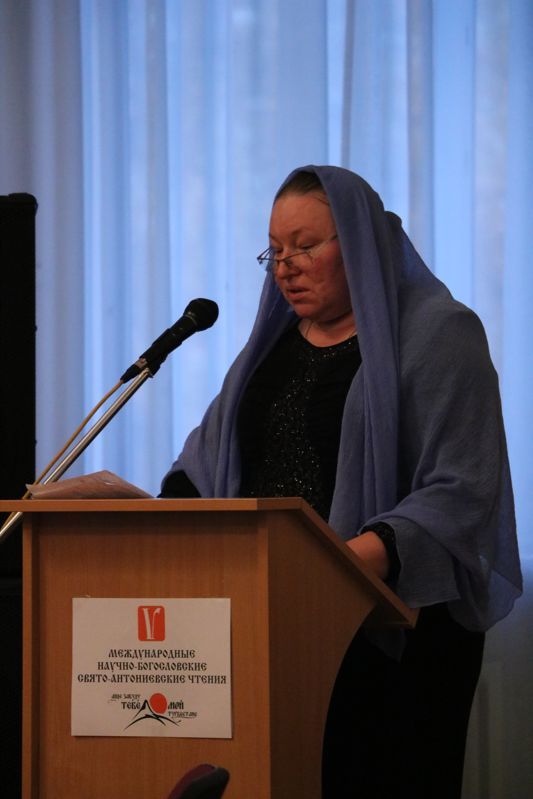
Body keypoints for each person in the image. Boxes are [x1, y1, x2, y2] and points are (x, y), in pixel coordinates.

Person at [160, 165, 522, 798]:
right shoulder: (269, 349)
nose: (286, 267)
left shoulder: (439, 333)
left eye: (305, 246)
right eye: (274, 251)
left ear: (358, 241)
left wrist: (335, 568)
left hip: (396, 628)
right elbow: (206, 461)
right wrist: (157, 518)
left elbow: (461, 488)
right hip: (280, 622)